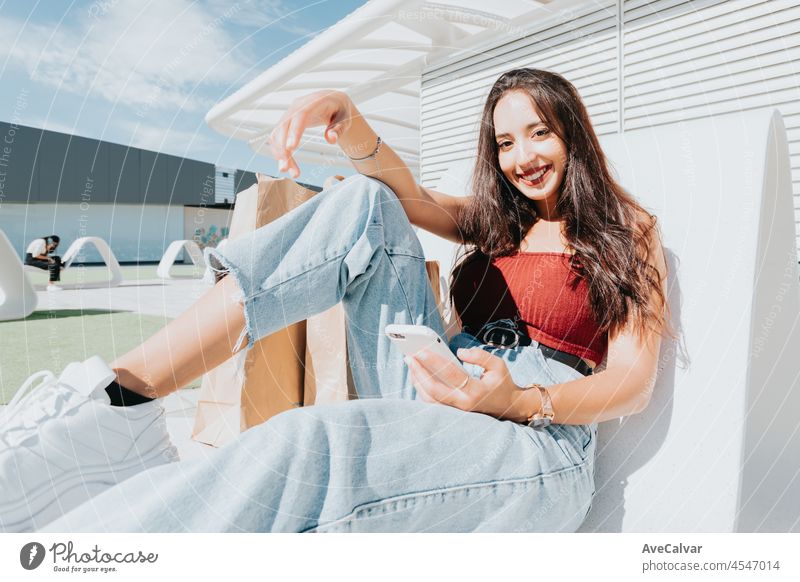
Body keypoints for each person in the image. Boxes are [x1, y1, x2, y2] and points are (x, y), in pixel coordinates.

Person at [1, 68, 668, 533]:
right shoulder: (499, 223)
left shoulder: (627, 232)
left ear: (572, 132)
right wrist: (350, 122)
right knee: (363, 203)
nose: (521, 155)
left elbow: (633, 382)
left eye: (539, 132)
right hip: (444, 384)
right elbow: (409, 202)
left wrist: (519, 401)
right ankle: (118, 403)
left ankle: (75, 555)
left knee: (303, 441)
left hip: (536, 437)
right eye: (504, 141)